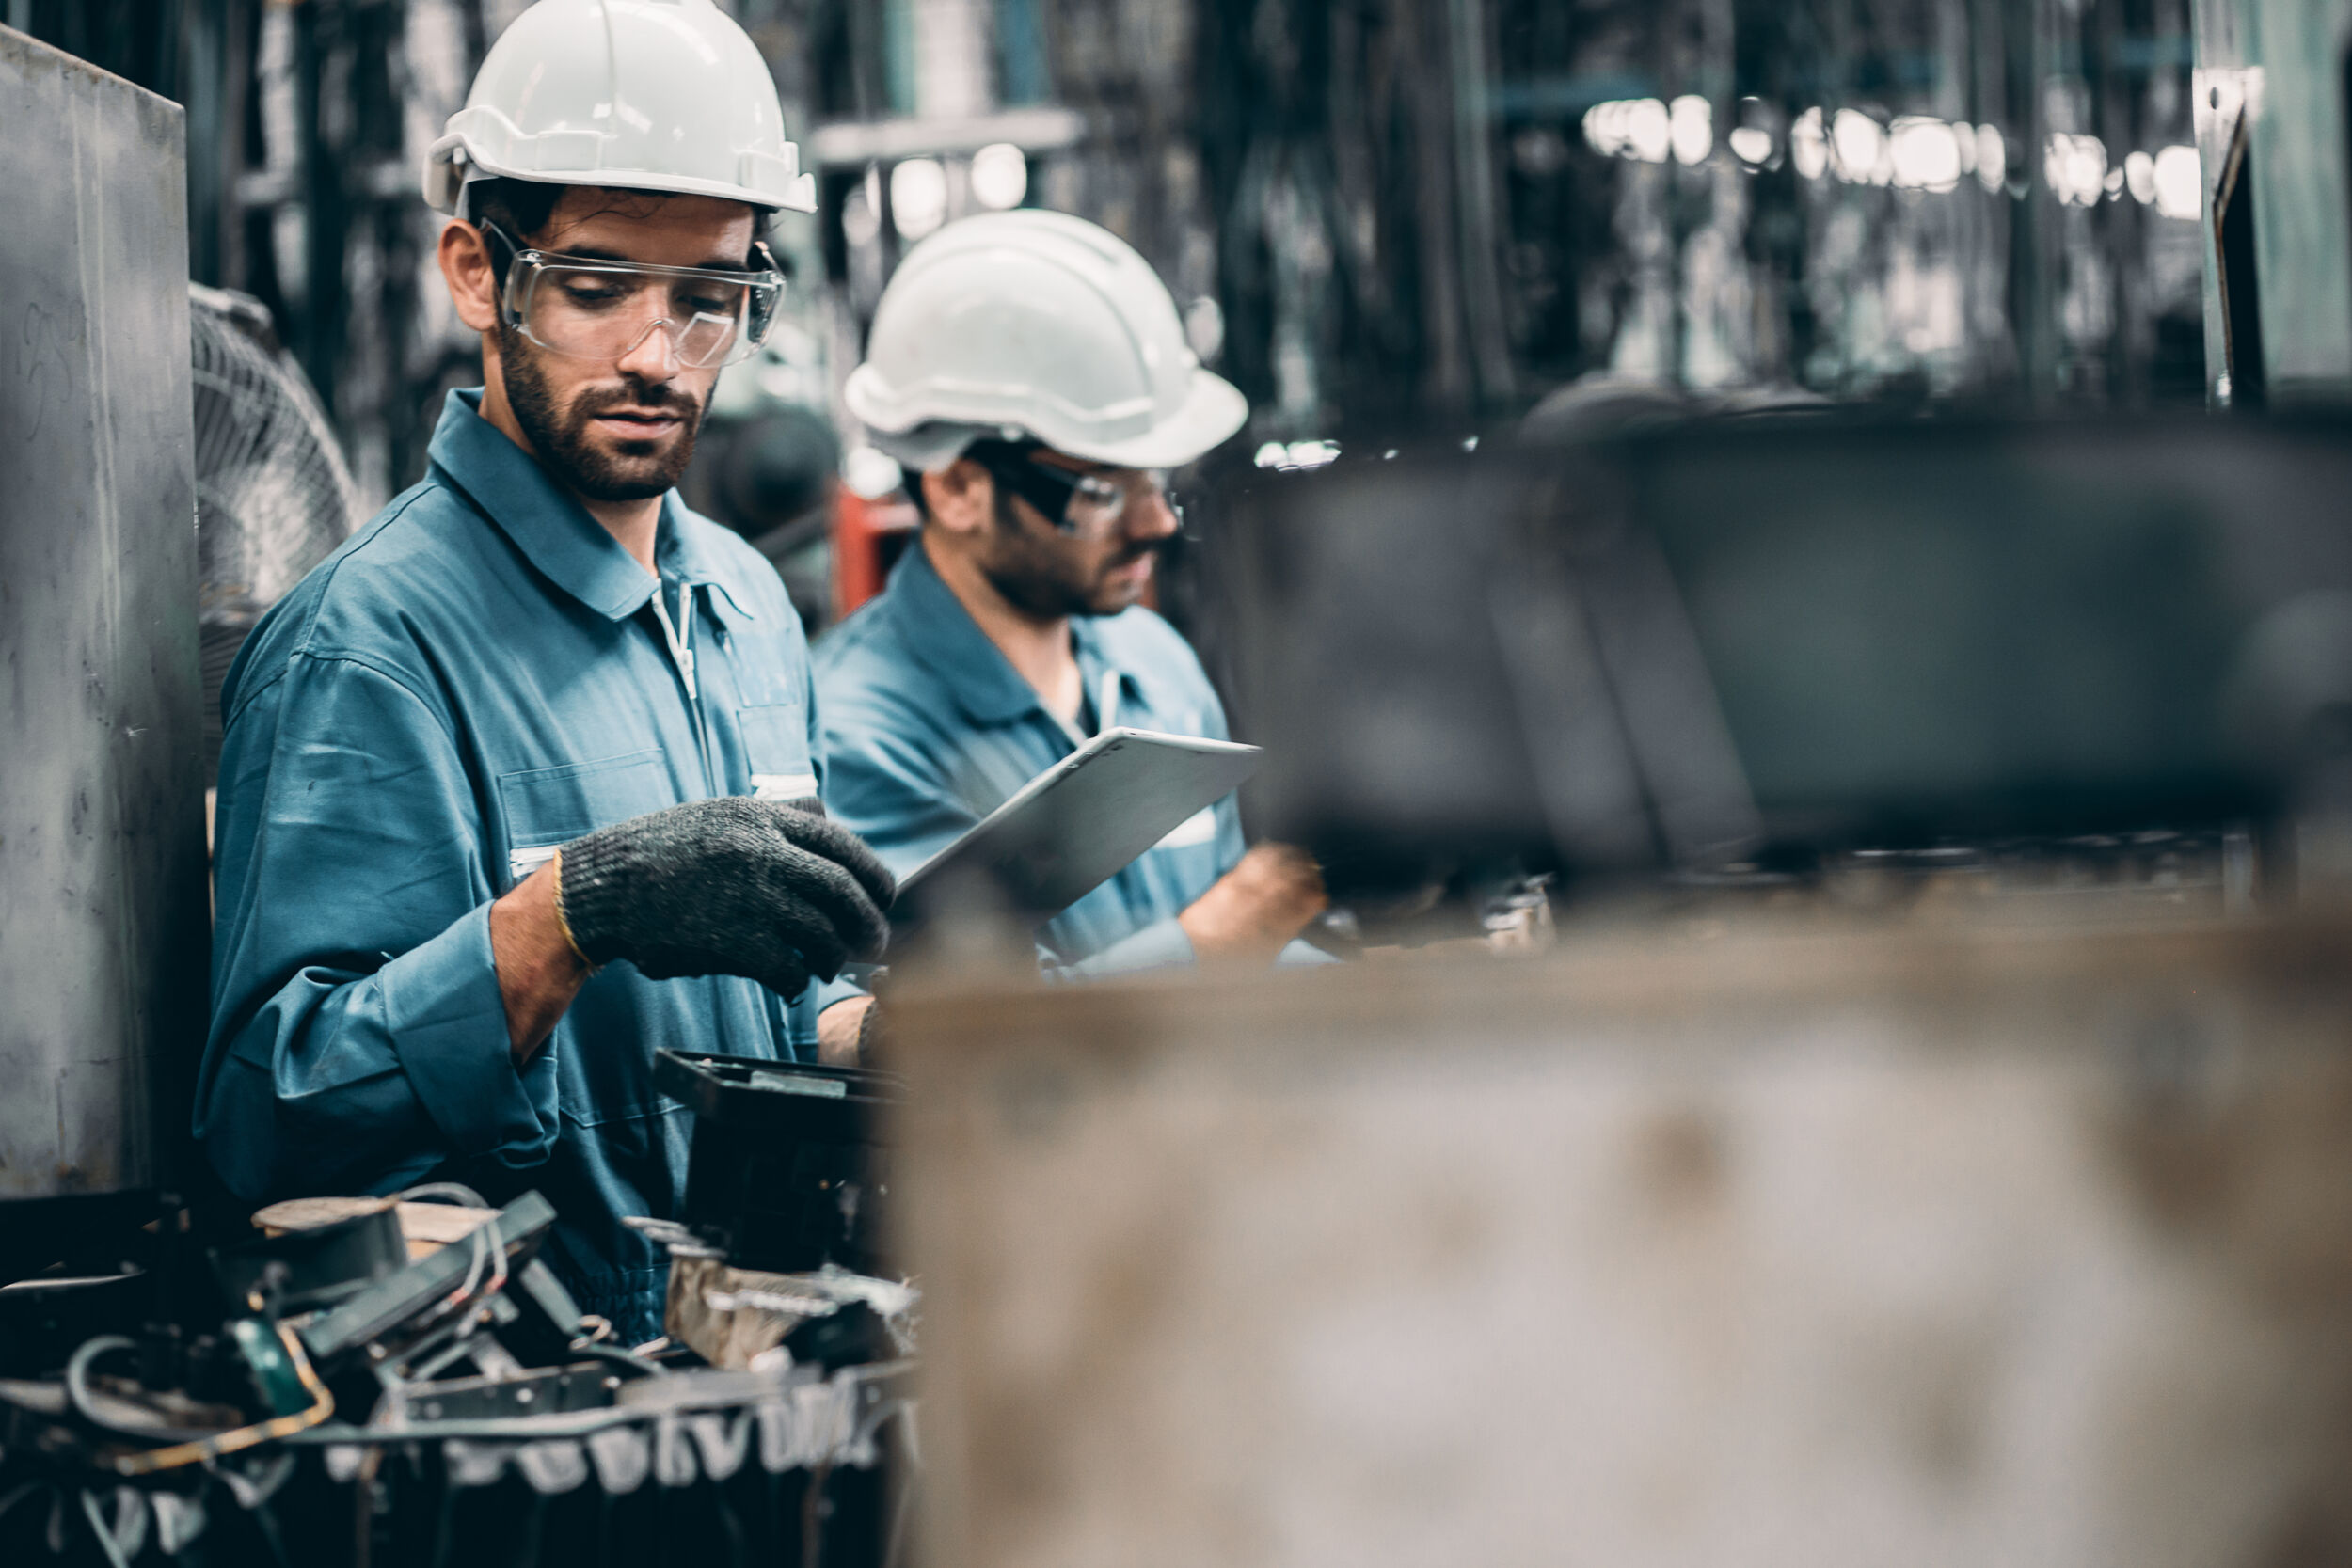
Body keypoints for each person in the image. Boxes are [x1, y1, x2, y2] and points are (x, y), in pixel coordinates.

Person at [197, 0, 889, 1343]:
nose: (654, 353)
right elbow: (264, 1122)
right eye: (595, 284)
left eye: (709, 299)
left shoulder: (746, 606)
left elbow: (783, 1009)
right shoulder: (368, 646)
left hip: (764, 1385)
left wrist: (882, 1041)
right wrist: (566, 917)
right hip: (532, 1431)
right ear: (475, 270)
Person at [814, 211, 1328, 975]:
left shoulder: (1154, 664)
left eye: (1155, 481)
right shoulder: (858, 737)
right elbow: (960, 1040)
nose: (1155, 523)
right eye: (1099, 491)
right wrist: (1232, 927)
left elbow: (1259, 971)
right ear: (958, 488)